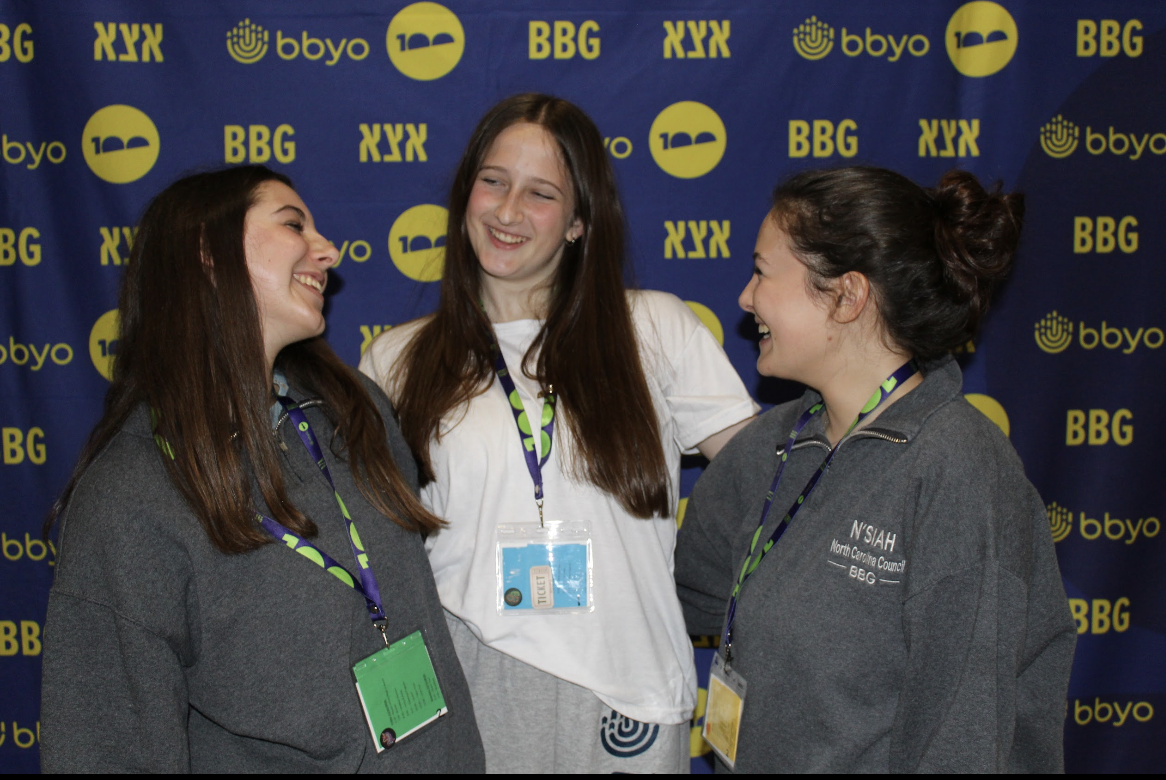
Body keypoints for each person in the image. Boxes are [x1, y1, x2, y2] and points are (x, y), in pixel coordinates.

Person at [360, 93, 758, 773]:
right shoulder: (395, 360)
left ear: (579, 222)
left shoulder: (654, 329)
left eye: (540, 193)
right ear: (465, 196)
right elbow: (368, 563)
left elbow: (768, 489)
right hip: (465, 682)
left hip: (625, 688)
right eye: (493, 181)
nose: (508, 211)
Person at [39, 166, 485, 772]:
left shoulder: (353, 411)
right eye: (293, 224)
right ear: (206, 252)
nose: (328, 251)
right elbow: (107, 747)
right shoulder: (130, 496)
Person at [675, 167, 1076, 773]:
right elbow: (677, 597)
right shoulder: (773, 447)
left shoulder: (958, 470)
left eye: (762, 271)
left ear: (846, 295)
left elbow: (962, 741)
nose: (745, 297)